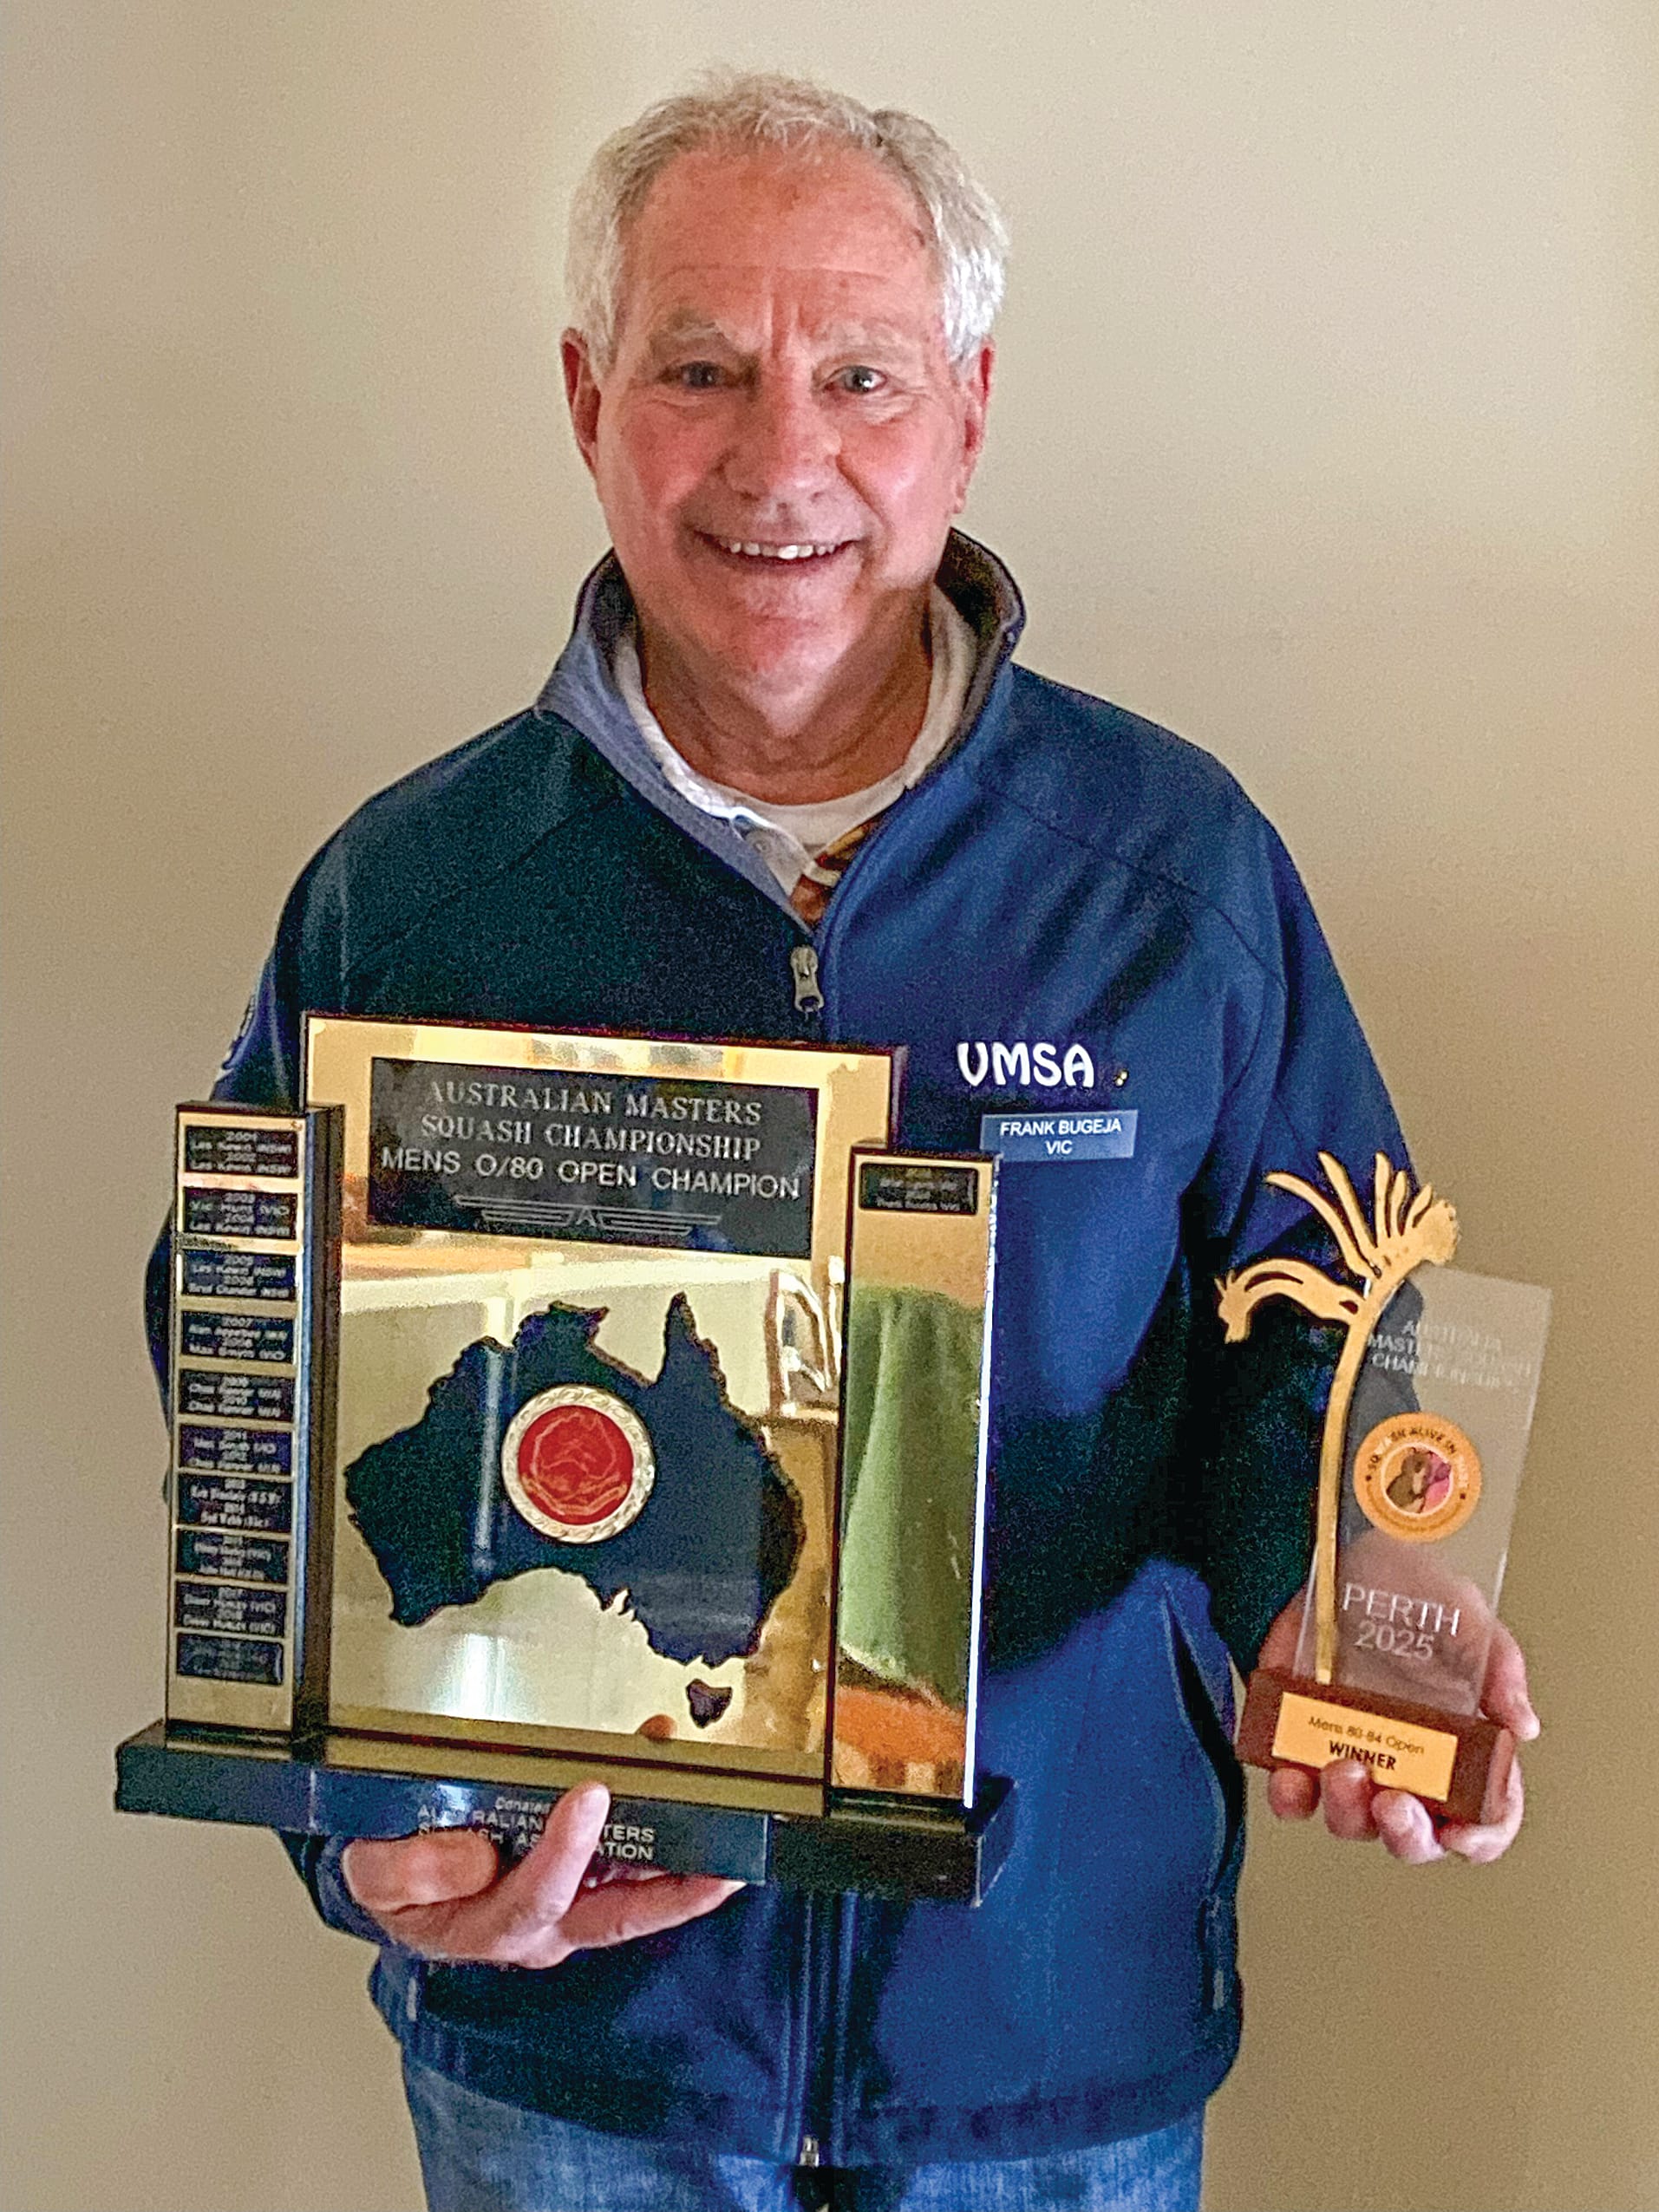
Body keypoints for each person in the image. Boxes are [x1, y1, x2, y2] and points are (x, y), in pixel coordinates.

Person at [147, 73, 1536, 2212]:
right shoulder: (412, 898)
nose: (780, 458)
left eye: (860, 375)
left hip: (1046, 2044)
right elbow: (251, 1378)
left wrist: (1352, 1604)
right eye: (701, 369)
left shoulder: (1168, 872)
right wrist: (372, 1836)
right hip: (578, 2061)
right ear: (590, 397)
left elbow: (1331, 1329)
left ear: (967, 409)